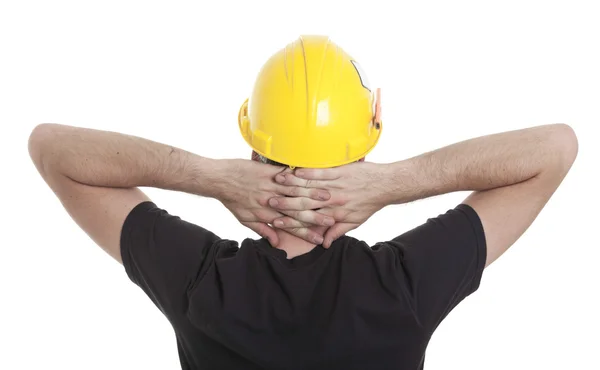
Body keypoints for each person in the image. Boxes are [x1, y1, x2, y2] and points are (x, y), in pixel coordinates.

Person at [28, 36, 578, 370]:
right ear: (363, 151)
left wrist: (209, 176)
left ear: (252, 148)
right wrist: (396, 184)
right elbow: (555, 148)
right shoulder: (403, 286)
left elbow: (51, 148)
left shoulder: (200, 283)